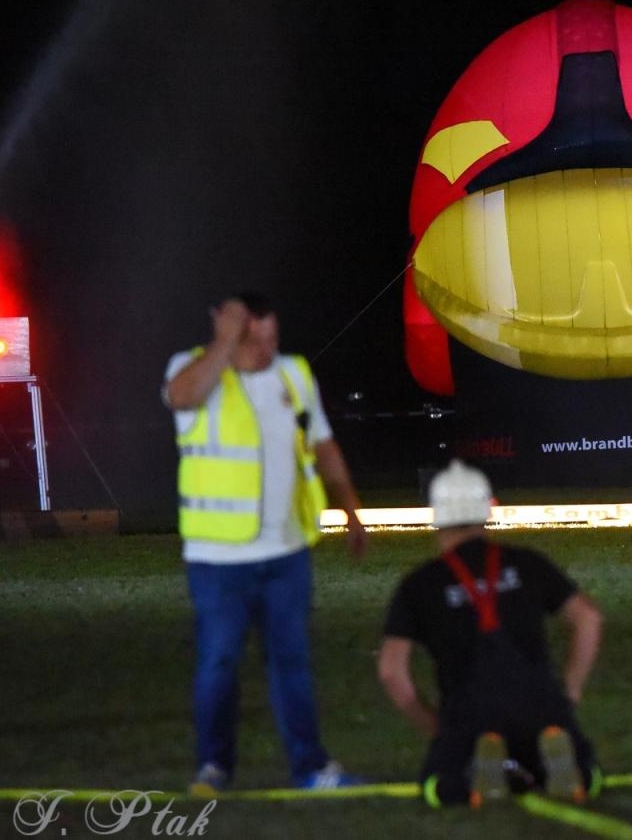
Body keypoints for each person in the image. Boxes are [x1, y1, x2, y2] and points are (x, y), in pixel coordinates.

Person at [163, 292, 369, 795]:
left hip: (286, 554)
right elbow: (181, 398)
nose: (268, 347)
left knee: (292, 665)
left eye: (273, 336)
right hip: (218, 559)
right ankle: (213, 767)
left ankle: (311, 767)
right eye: (257, 337)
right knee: (218, 663)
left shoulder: (294, 374)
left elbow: (322, 442)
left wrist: (351, 509)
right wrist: (224, 343)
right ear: (230, 330)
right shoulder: (192, 369)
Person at [377, 460, 603, 809]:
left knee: (438, 788)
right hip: (540, 709)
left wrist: (433, 725)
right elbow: (588, 618)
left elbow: (391, 670)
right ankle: (562, 766)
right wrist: (568, 694)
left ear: (436, 515)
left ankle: (476, 773)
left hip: (469, 715)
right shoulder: (527, 563)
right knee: (590, 777)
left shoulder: (420, 583)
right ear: (487, 509)